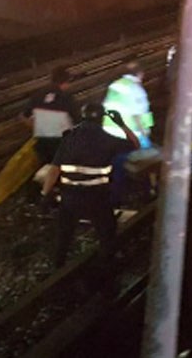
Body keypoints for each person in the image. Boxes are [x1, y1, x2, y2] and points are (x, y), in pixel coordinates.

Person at [43, 103, 139, 268]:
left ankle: (57, 272)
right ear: (102, 119)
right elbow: (135, 144)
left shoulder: (69, 138)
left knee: (63, 238)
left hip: (69, 199)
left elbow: (54, 169)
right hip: (97, 200)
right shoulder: (108, 140)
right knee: (107, 235)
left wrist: (45, 194)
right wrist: (121, 124)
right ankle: (105, 272)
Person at [102, 63, 155, 204]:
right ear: (140, 74)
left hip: (109, 131)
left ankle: (115, 197)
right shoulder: (137, 89)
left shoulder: (115, 85)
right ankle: (146, 193)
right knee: (146, 162)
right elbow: (140, 115)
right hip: (127, 133)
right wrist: (145, 134)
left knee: (117, 165)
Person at [22, 66, 81, 170]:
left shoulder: (38, 94)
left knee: (47, 169)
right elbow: (78, 120)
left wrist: (37, 127)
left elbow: (23, 116)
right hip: (60, 144)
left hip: (42, 143)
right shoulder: (66, 97)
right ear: (66, 81)